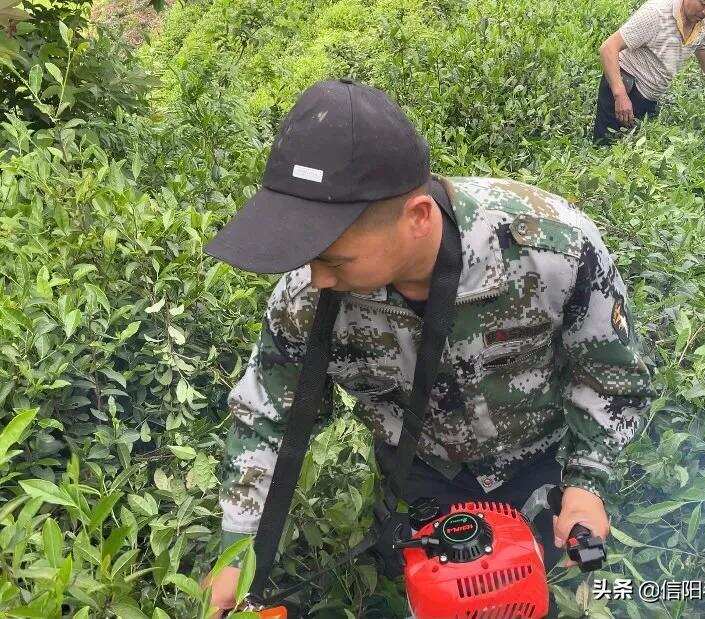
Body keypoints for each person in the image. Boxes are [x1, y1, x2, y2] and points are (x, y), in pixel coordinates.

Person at [201, 78, 653, 616]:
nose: (317, 278)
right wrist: (238, 549)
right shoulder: (308, 295)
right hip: (416, 472)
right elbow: (267, 416)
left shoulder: (550, 248)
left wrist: (586, 484)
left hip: (538, 465)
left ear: (417, 218)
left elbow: (610, 376)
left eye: (335, 260)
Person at [594, 0, 705, 143]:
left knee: (636, 146)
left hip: (651, 95)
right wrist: (620, 95)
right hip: (625, 86)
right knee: (607, 144)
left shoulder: (702, 25)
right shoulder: (656, 13)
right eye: (703, 3)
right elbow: (608, 48)